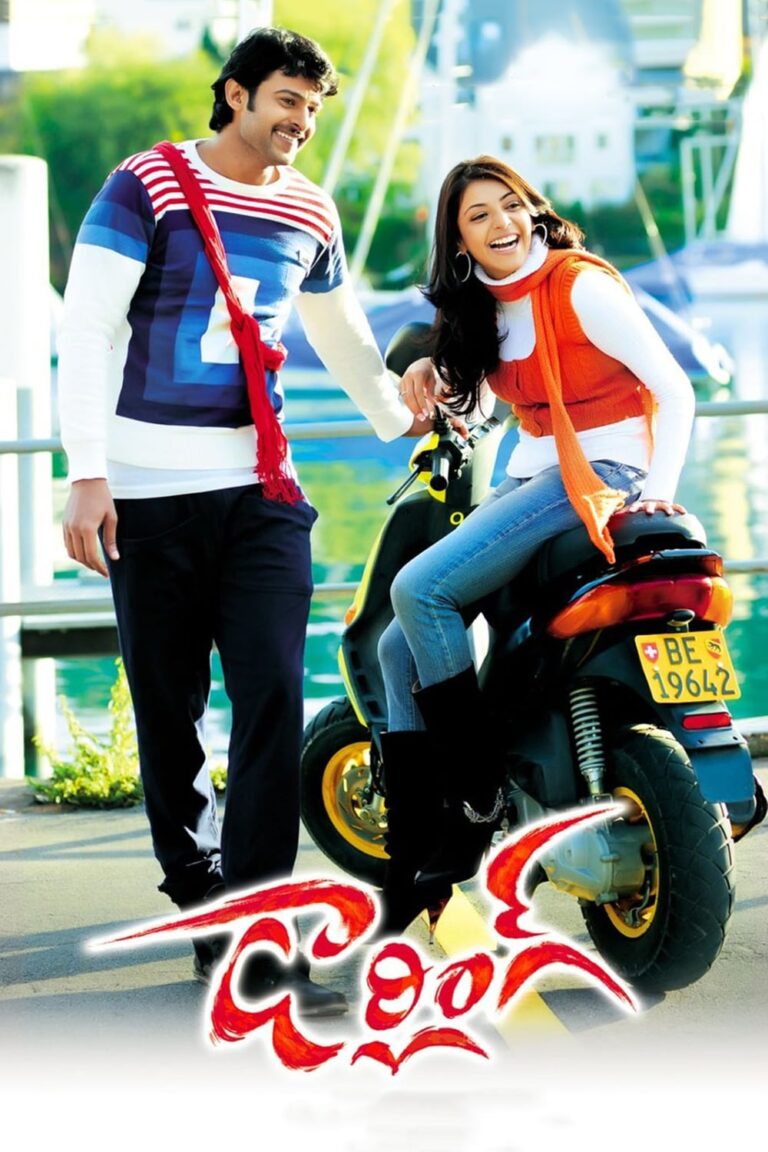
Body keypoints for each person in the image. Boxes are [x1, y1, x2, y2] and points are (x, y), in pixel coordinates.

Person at [57, 26, 434, 1015]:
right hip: (147, 493)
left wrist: (401, 419)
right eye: (286, 100)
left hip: (263, 493)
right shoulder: (145, 184)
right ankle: (199, 897)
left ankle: (257, 933)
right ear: (235, 94)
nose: (301, 122)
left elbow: (343, 337)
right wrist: (87, 475)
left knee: (272, 697)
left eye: (313, 107)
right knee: (169, 711)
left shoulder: (311, 209)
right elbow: (86, 330)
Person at [375, 154, 697, 935]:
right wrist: (428, 368)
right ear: (459, 242)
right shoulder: (488, 305)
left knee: (419, 590)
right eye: (478, 216)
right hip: (533, 478)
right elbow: (488, 403)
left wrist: (659, 486)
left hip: (601, 471)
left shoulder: (579, 286)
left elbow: (674, 386)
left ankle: (475, 790)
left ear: (534, 210)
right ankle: (414, 843)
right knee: (395, 647)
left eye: (511, 205)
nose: (502, 224)